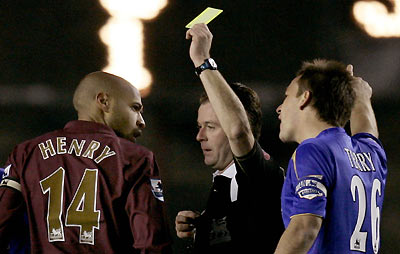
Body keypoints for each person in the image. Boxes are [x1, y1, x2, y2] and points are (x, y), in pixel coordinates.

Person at [0, 71, 172, 254]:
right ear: (104, 101)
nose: (141, 122)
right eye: (135, 108)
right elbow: (152, 244)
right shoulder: (136, 158)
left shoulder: (25, 153)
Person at [175, 24, 285, 253]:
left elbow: (237, 131)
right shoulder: (223, 183)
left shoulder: (261, 174)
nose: (199, 136)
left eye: (211, 127)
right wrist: (204, 226)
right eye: (199, 126)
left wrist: (202, 60)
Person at [274, 60, 387, 253]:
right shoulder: (372, 154)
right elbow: (367, 129)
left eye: (286, 96)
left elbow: (304, 229)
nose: (279, 108)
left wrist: (359, 97)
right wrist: (361, 98)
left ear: (304, 98)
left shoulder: (313, 150)